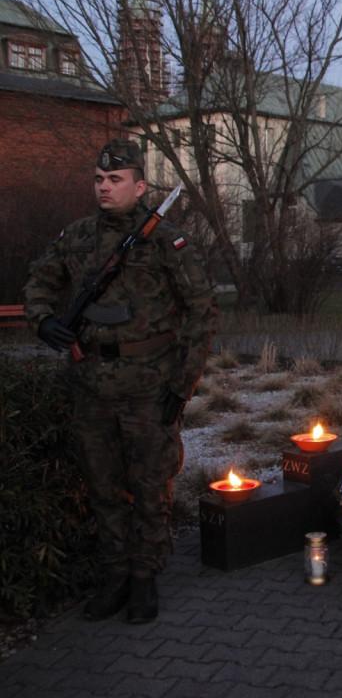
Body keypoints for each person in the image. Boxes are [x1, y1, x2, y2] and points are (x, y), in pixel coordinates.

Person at [24, 139, 217, 624]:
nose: (104, 187)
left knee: (150, 485)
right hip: (90, 384)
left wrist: (183, 383)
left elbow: (201, 311)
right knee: (103, 486)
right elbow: (39, 281)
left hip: (148, 384)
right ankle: (115, 576)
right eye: (98, 179)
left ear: (139, 185)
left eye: (115, 180)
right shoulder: (79, 236)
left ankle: (145, 577)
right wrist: (43, 320)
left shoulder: (165, 240)